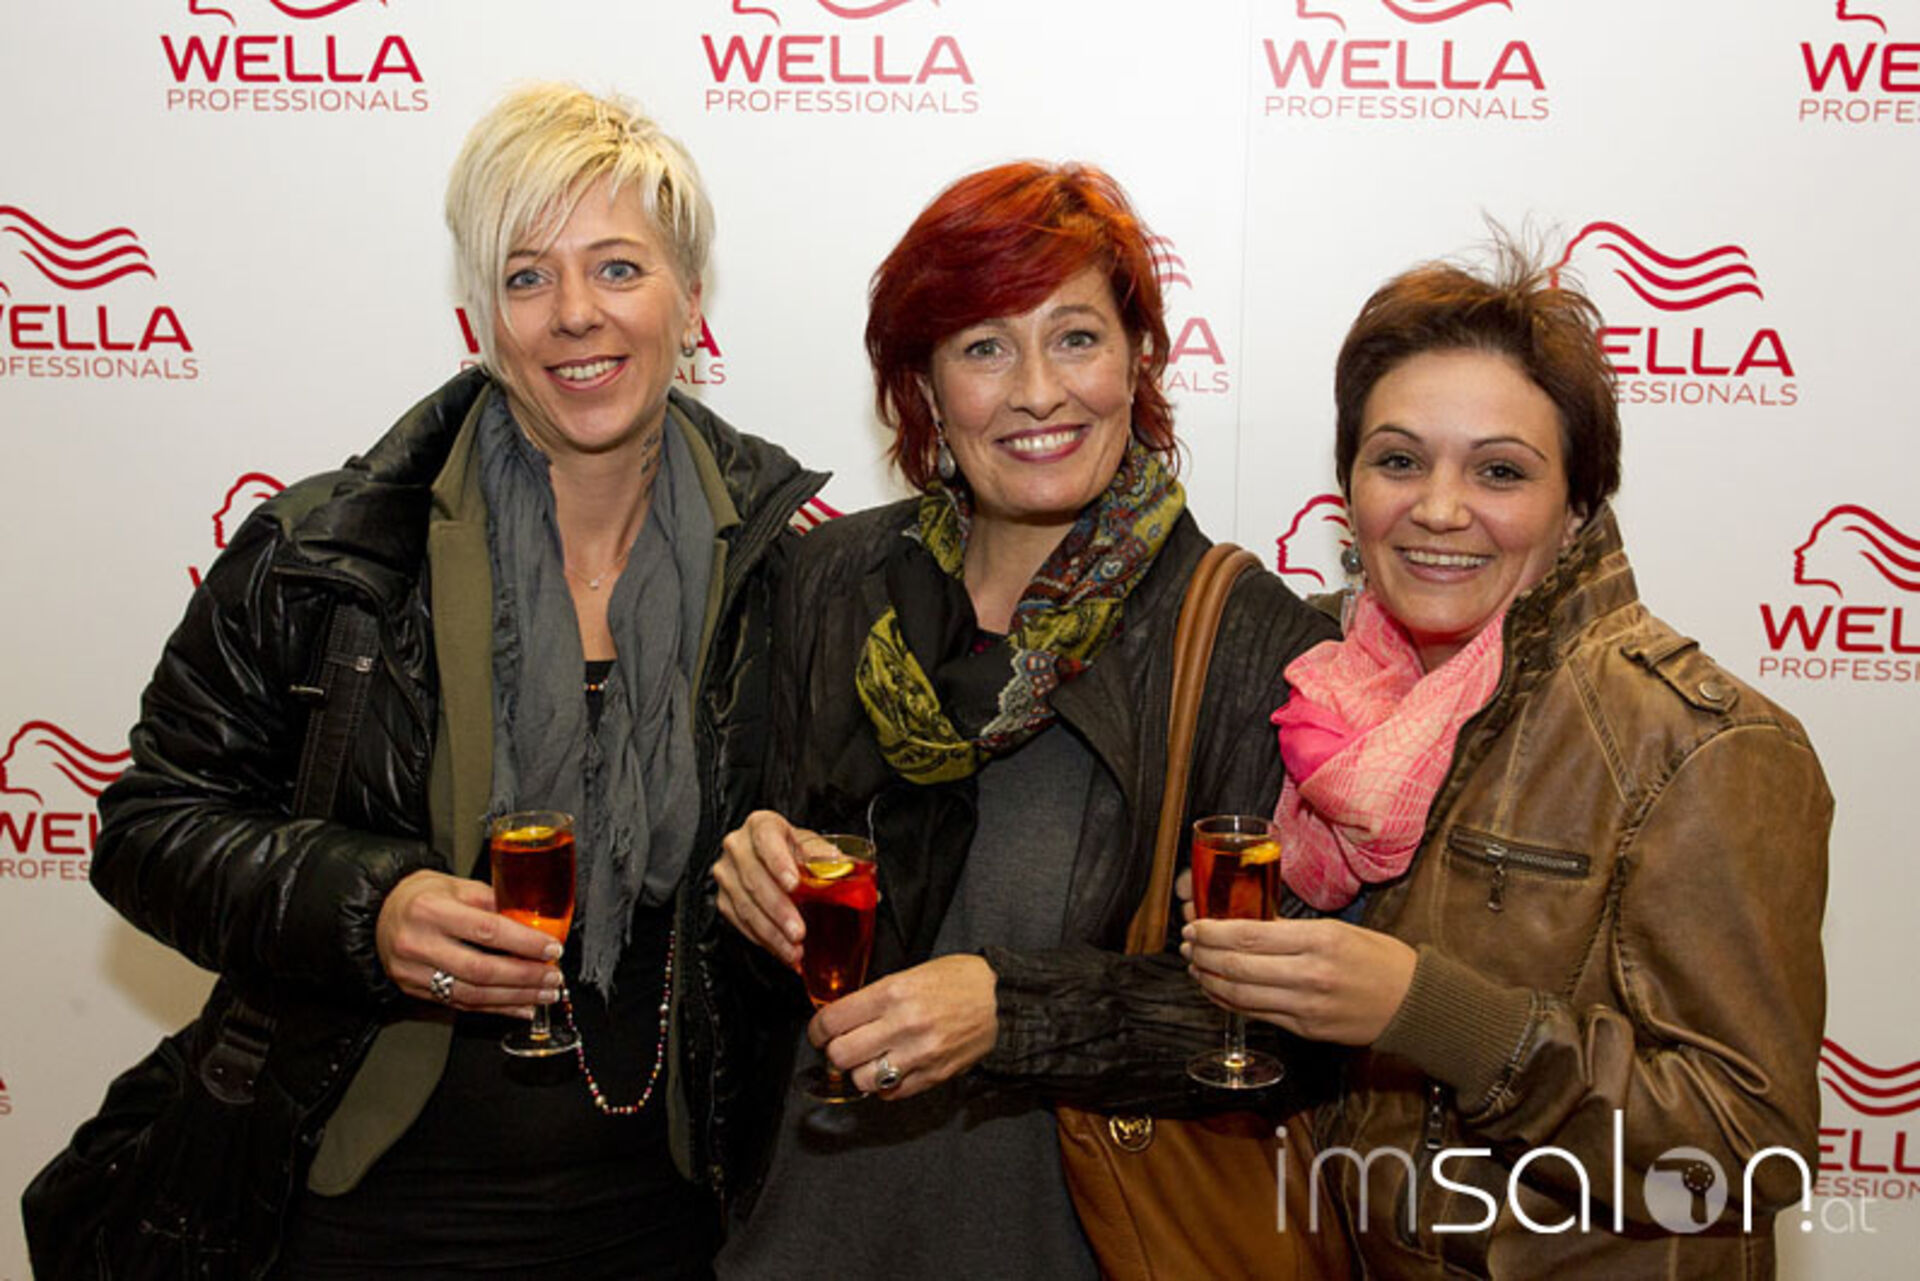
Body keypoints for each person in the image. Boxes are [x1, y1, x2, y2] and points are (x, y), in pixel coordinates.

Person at [71, 83, 823, 1278]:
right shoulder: (330, 552)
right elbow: (149, 830)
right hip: (369, 1212)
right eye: (527, 277)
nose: (575, 314)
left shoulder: (787, 572)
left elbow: (860, 852)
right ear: (480, 315)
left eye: (618, 268)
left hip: (667, 1216)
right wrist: (368, 907)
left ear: (690, 296)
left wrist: (784, 861)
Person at [707, 162, 1337, 1278]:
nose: (1039, 391)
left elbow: (1284, 1031)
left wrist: (1014, 1009)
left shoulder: (1244, 638)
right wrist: (753, 885)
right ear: (925, 385)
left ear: (1139, 360)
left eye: (1076, 338)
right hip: (803, 1238)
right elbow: (765, 977)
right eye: (985, 347)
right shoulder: (835, 579)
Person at [1182, 242, 1832, 1277]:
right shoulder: (1323, 692)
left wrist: (1430, 1011)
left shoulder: (1697, 745)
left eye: (1500, 471)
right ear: (1349, 487)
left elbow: (1747, 1154)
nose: (1440, 509)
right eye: (1399, 460)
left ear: (1577, 506)